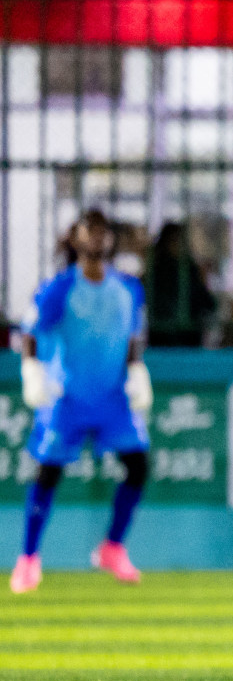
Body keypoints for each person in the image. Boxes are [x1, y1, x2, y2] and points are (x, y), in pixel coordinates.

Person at [9, 211, 153, 594]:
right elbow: (30, 332)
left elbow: (133, 334)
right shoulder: (58, 289)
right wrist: (32, 372)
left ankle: (113, 547)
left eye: (104, 231)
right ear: (75, 239)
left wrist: (137, 371)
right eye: (90, 231)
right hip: (67, 396)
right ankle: (28, 558)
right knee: (48, 474)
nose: (98, 238)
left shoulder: (127, 289)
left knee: (138, 466)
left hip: (111, 396)